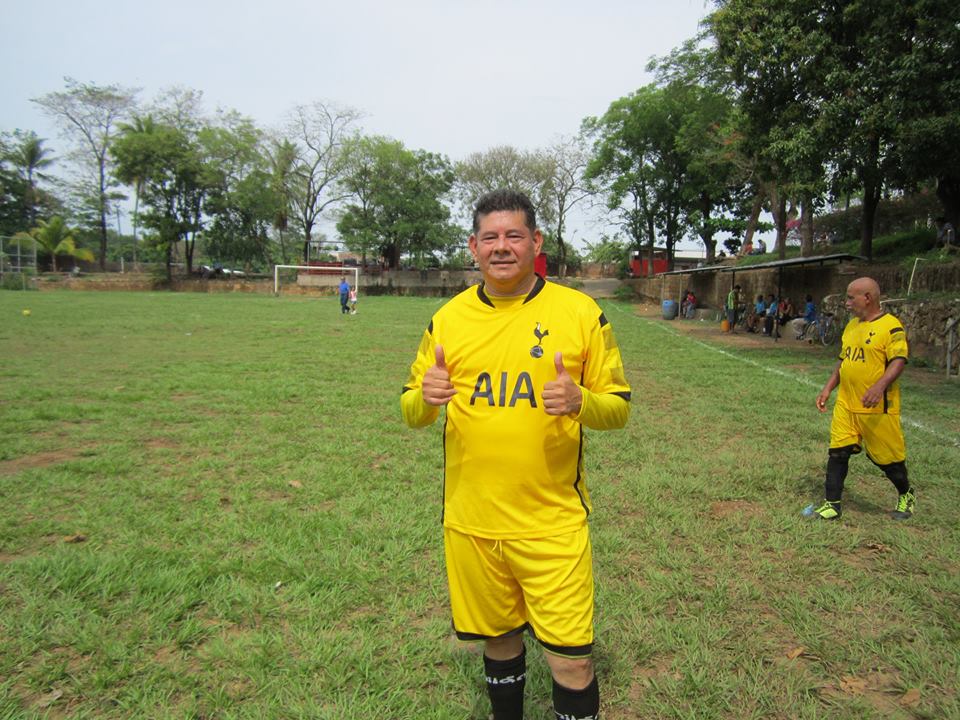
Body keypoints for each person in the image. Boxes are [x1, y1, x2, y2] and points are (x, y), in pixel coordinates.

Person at [401, 189, 631, 720]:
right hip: (473, 524)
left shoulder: (580, 312)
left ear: (535, 242)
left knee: (572, 663)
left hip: (551, 522)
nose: (501, 247)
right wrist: (425, 398)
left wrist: (581, 402)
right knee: (499, 643)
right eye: (490, 237)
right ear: (473, 247)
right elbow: (411, 410)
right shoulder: (446, 320)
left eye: (513, 235)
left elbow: (618, 410)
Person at [811, 277, 914, 520]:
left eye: (850, 297)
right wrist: (828, 389)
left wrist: (879, 386)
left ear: (867, 298)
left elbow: (898, 361)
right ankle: (832, 505)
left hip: (877, 408)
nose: (846, 303)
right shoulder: (851, 327)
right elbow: (842, 361)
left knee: (888, 461)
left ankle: (906, 493)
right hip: (847, 404)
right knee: (838, 452)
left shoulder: (891, 327)